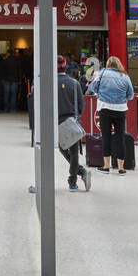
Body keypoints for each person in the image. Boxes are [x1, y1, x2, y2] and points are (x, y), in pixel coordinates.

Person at [88, 55, 134, 175]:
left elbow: (93, 87)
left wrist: (101, 93)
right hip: (120, 110)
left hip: (105, 108)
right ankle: (121, 168)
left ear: (108, 64)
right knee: (120, 138)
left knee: (106, 137)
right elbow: (131, 95)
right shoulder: (125, 76)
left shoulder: (102, 73)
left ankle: (106, 166)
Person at [56, 55, 89, 191]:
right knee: (74, 151)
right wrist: (77, 116)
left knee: (62, 148)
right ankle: (73, 181)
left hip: (56, 121)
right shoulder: (74, 83)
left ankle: (80, 172)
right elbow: (81, 104)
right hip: (72, 121)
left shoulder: (50, 83)